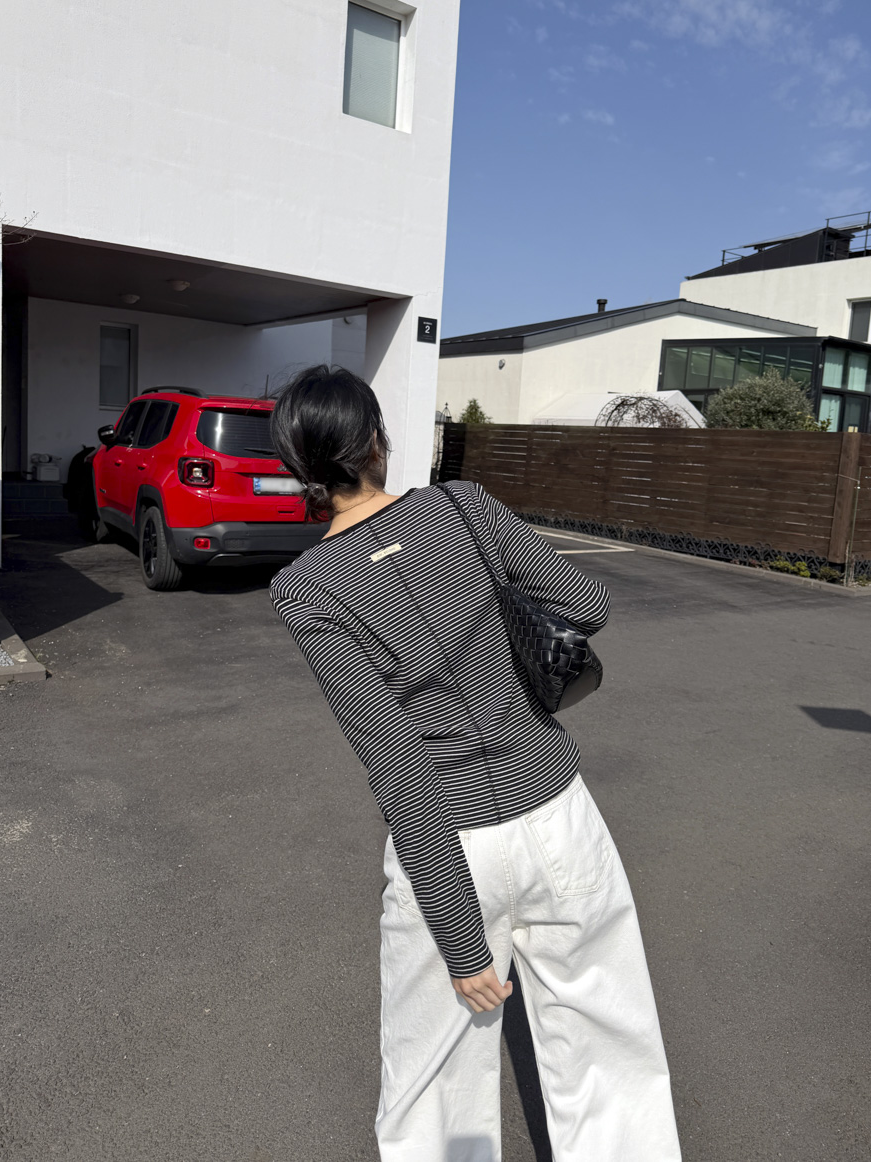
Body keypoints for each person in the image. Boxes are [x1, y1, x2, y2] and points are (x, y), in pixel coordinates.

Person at [269, 365, 681, 1162]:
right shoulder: (463, 507)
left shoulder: (306, 588)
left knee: (432, 1083)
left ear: (300, 468)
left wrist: (463, 942)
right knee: (609, 1043)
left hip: (449, 842)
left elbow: (398, 766)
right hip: (558, 812)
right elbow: (587, 605)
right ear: (377, 441)